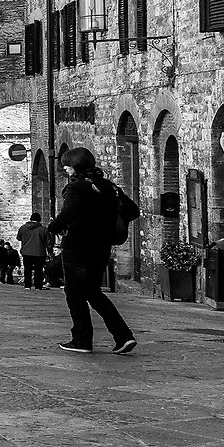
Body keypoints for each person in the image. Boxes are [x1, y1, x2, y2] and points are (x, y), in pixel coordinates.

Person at [45, 146, 137, 355]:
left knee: (75, 293)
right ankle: (124, 336)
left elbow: (69, 213)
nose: (65, 168)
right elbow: (132, 210)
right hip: (102, 247)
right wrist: (105, 223)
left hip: (78, 247)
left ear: (76, 165)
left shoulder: (77, 188)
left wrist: (53, 227)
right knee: (94, 293)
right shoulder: (108, 187)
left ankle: (82, 339)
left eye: (67, 164)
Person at [16, 215, 50, 290]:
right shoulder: (43, 229)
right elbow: (48, 242)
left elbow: (18, 238)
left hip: (26, 252)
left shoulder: (23, 228)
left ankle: (27, 285)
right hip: (39, 252)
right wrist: (50, 252)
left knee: (27, 269)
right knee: (38, 270)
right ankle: (38, 285)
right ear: (39, 220)